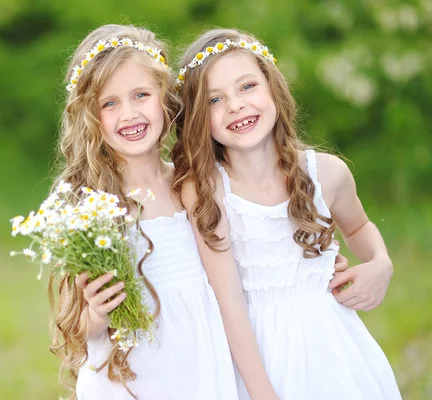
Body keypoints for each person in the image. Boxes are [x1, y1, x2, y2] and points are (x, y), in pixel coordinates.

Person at [172, 28, 401, 399]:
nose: (235, 105)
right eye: (215, 99)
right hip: (255, 359)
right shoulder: (208, 193)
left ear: (272, 87)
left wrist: (380, 262)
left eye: (247, 87)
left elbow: (359, 226)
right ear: (199, 116)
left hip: (335, 349)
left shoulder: (326, 173)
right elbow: (230, 304)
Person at [48, 24, 261, 400]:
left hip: (200, 372)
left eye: (140, 95)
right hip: (130, 382)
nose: (128, 114)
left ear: (164, 98)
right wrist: (96, 312)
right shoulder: (90, 205)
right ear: (90, 116)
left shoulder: (193, 185)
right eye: (109, 103)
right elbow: (75, 326)